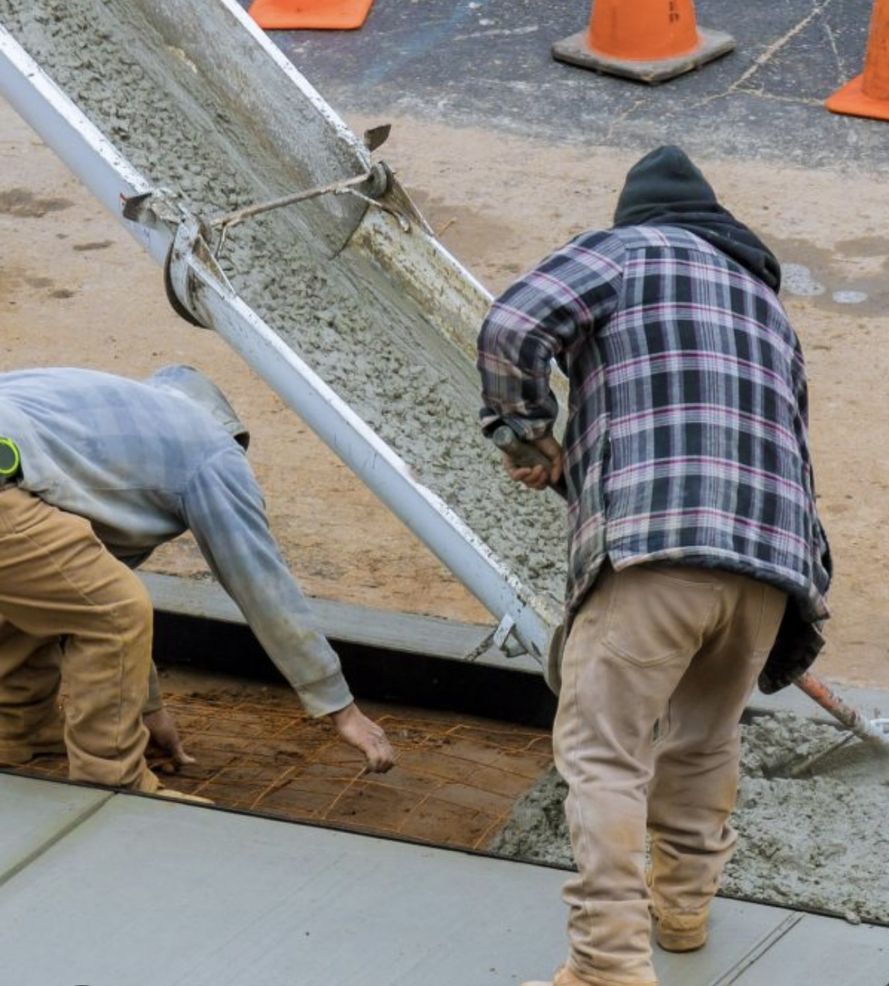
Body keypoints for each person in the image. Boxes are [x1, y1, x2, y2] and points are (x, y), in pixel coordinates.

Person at [477, 147, 832, 986]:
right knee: (703, 743)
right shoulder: (766, 308)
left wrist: (527, 434)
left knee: (605, 755)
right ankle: (683, 911)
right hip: (768, 568)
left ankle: (607, 965)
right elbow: (780, 443)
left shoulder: (627, 251)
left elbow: (513, 325)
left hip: (656, 553)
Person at [0, 365, 395, 796]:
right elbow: (262, 586)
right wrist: (340, 707)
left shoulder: (103, 421)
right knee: (115, 614)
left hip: (10, 470)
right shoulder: (211, 451)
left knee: (46, 592)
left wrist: (147, 710)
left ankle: (17, 730)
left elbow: (74, 585)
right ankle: (111, 781)